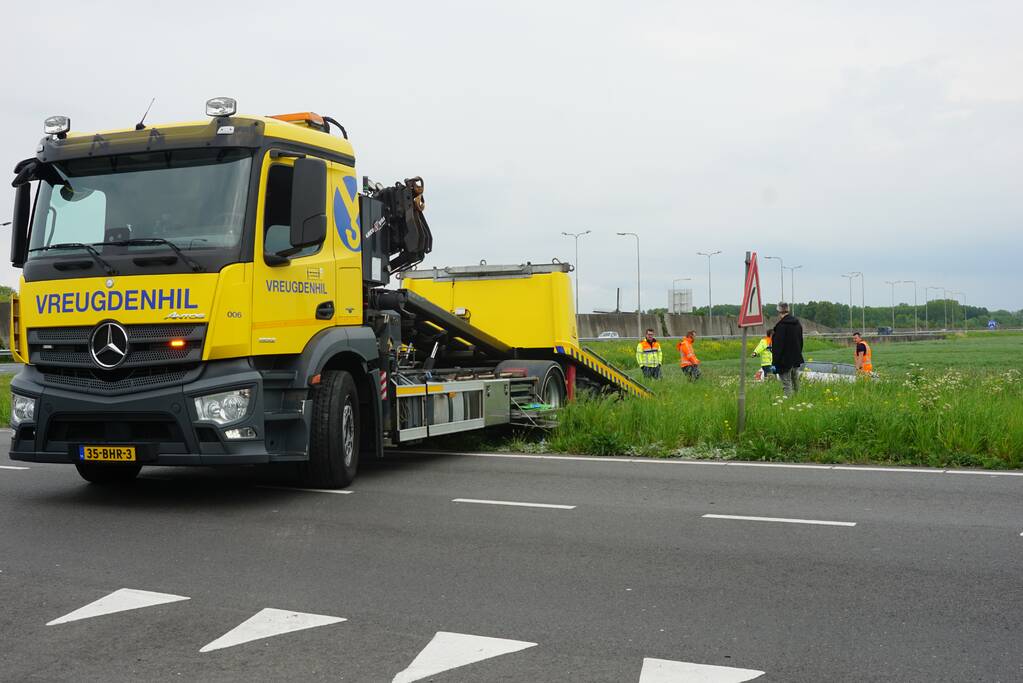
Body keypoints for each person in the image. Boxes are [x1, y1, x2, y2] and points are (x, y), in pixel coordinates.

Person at [771, 303, 803, 397]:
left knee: (786, 385)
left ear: (779, 311)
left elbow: (778, 347)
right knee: (795, 383)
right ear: (788, 310)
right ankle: (797, 400)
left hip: (784, 361)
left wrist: (774, 363)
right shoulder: (797, 324)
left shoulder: (780, 326)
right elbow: (800, 342)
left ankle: (788, 404)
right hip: (796, 359)